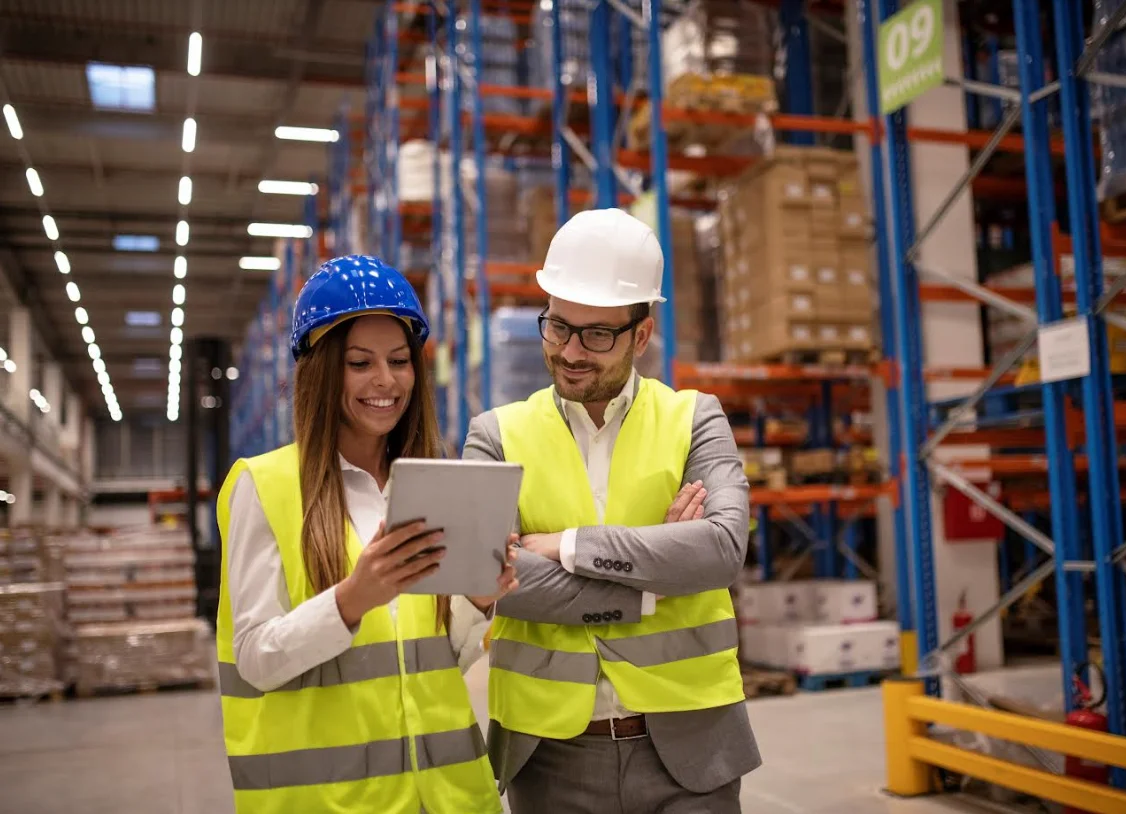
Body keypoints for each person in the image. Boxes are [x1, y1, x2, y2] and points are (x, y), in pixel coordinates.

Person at [464, 209, 761, 813]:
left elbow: (723, 551)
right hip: (548, 754)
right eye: (558, 328)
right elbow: (488, 576)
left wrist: (566, 544)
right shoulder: (495, 435)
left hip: (690, 748)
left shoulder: (695, 419)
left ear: (641, 336)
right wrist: (655, 578)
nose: (572, 351)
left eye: (597, 335)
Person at [216, 255, 517, 814]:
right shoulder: (267, 486)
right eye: (360, 363)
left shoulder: (431, 485)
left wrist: (479, 601)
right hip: (337, 802)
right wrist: (352, 599)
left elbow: (431, 663)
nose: (386, 381)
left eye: (399, 361)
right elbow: (255, 659)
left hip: (450, 797)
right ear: (322, 369)